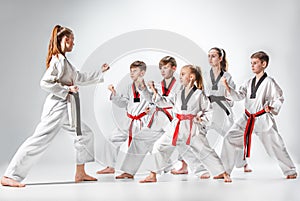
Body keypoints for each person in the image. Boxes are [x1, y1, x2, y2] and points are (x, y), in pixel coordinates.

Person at [0, 25, 110, 187]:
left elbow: (79, 77)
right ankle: (10, 175)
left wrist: (100, 72)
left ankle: (80, 172)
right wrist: (67, 90)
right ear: (65, 40)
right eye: (72, 40)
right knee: (39, 140)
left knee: (85, 134)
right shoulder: (57, 60)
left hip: (67, 107)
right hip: (57, 107)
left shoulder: (65, 62)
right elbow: (45, 82)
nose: (73, 44)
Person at [139, 65, 232, 183]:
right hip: (176, 127)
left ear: (191, 77)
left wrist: (201, 119)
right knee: (159, 146)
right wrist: (154, 90)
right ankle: (153, 174)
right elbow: (164, 103)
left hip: (192, 128)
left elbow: (208, 110)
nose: (180, 77)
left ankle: (222, 173)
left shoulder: (199, 94)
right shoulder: (178, 93)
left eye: (183, 74)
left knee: (204, 149)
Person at [173, 47, 252, 176]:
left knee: (231, 136)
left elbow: (231, 96)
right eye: (209, 56)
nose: (210, 58)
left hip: (222, 110)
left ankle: (242, 163)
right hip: (207, 110)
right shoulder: (204, 75)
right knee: (192, 135)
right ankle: (184, 165)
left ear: (220, 58)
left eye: (213, 56)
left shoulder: (227, 76)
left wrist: (226, 98)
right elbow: (198, 93)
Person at [220, 50, 297, 179]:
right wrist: (227, 87)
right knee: (230, 137)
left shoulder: (269, 82)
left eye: (255, 63)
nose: (252, 66)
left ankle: (290, 171)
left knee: (275, 145)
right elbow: (239, 96)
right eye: (251, 63)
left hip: (262, 118)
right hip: (247, 117)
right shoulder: (249, 82)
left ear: (264, 64)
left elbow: (279, 98)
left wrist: (272, 107)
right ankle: (225, 171)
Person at [115, 56, 181, 179]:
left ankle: (201, 170)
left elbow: (166, 102)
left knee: (187, 145)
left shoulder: (178, 85)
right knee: (139, 139)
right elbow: (152, 101)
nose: (162, 70)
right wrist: (144, 89)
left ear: (173, 68)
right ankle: (129, 171)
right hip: (157, 120)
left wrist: (153, 93)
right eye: (161, 68)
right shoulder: (158, 84)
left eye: (165, 67)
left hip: (172, 121)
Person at [96, 60, 150, 177]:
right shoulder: (129, 87)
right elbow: (124, 103)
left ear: (142, 73)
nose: (131, 73)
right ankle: (110, 166)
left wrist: (144, 88)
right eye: (131, 71)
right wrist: (114, 94)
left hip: (142, 122)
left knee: (148, 145)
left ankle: (167, 166)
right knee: (112, 138)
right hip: (129, 121)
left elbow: (152, 100)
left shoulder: (149, 87)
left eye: (135, 71)